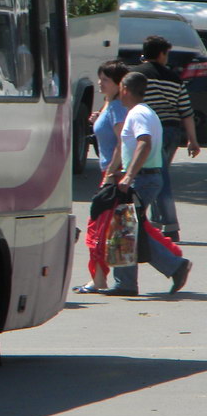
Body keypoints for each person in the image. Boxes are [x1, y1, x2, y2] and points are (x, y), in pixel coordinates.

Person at [102, 71, 193, 295]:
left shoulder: (138, 114)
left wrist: (129, 176)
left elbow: (144, 143)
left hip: (143, 178)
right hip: (144, 177)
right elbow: (124, 146)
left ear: (125, 89)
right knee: (131, 228)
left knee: (126, 228)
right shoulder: (141, 112)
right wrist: (113, 172)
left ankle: (170, 267)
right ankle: (129, 282)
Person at [130, 34, 201, 242]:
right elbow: (185, 111)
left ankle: (168, 224)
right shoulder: (174, 78)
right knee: (158, 175)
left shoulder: (136, 75)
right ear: (161, 54)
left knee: (157, 176)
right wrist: (192, 140)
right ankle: (157, 222)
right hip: (171, 131)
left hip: (147, 129)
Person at [73, 59, 129, 293]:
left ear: (118, 84)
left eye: (105, 80)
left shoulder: (116, 107)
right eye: (100, 78)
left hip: (112, 174)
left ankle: (98, 280)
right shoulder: (108, 104)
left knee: (99, 229)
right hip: (109, 172)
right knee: (113, 227)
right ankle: (174, 262)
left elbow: (121, 142)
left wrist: (111, 174)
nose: (100, 83)